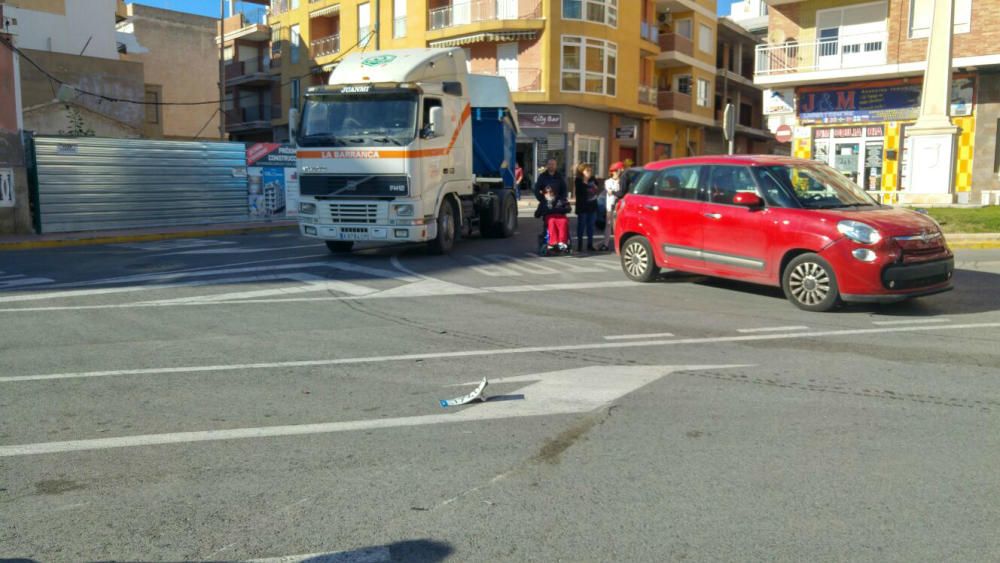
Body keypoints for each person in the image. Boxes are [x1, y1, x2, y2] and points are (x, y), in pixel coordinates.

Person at [534, 185, 571, 251]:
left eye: (550, 192)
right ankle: (553, 242)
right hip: (549, 217)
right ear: (544, 194)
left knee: (563, 221)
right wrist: (540, 212)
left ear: (553, 192)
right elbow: (537, 214)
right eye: (546, 192)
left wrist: (558, 210)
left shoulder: (561, 199)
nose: (548, 194)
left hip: (560, 216)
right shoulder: (543, 202)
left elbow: (568, 208)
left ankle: (562, 242)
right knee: (551, 220)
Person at [599, 161, 625, 251]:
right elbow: (611, 192)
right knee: (608, 225)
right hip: (610, 206)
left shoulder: (622, 181)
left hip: (619, 207)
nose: (619, 173)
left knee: (617, 226)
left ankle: (618, 245)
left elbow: (620, 193)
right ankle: (605, 244)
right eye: (617, 171)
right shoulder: (608, 182)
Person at [574, 163, 600, 252]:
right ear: (582, 172)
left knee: (591, 226)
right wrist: (587, 183)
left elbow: (597, 189)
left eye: (590, 170)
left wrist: (593, 185)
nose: (589, 172)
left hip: (592, 206)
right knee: (581, 226)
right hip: (583, 207)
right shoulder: (578, 181)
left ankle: (590, 244)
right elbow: (581, 192)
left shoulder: (593, 180)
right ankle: (580, 245)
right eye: (587, 170)